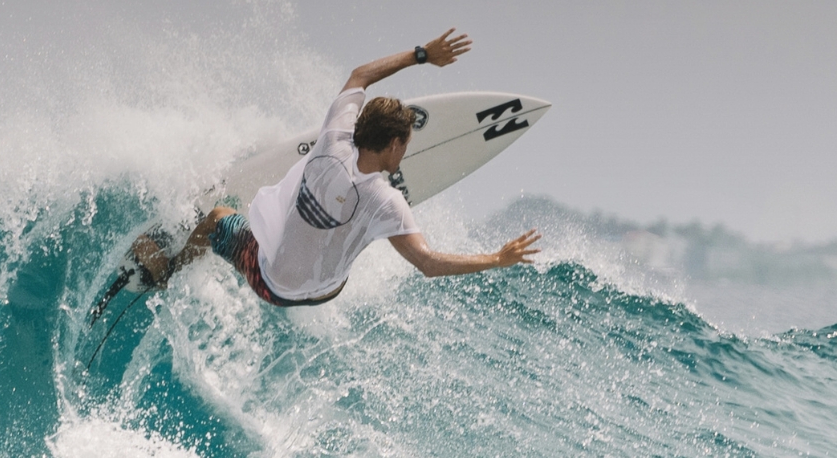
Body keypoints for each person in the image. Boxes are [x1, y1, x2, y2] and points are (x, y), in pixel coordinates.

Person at [133, 28, 541, 306]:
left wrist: (422, 55)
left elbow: (361, 75)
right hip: (326, 292)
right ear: (395, 144)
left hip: (270, 284)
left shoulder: (332, 137)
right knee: (360, 229)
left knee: (218, 217)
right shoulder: (388, 201)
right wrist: (496, 258)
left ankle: (170, 270)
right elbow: (429, 264)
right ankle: (331, 236)